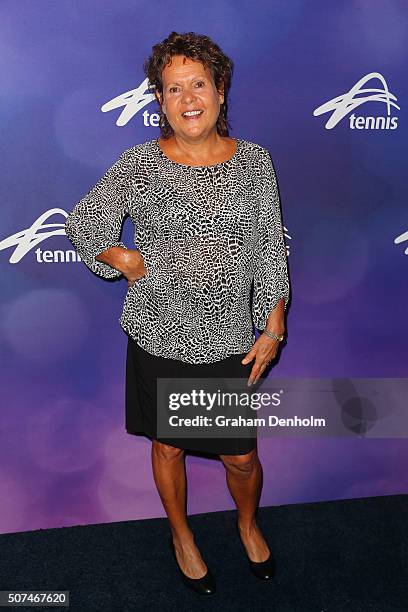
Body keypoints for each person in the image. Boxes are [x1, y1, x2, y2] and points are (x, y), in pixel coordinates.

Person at [65, 31, 290, 596]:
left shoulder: (255, 162)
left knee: (241, 457)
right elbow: (83, 225)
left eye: (198, 84)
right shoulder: (140, 165)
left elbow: (269, 248)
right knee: (168, 446)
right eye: (173, 89)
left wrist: (275, 319)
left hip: (229, 341)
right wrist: (122, 260)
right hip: (160, 337)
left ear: (219, 90)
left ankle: (245, 521)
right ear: (159, 101)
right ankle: (182, 535)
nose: (188, 98)